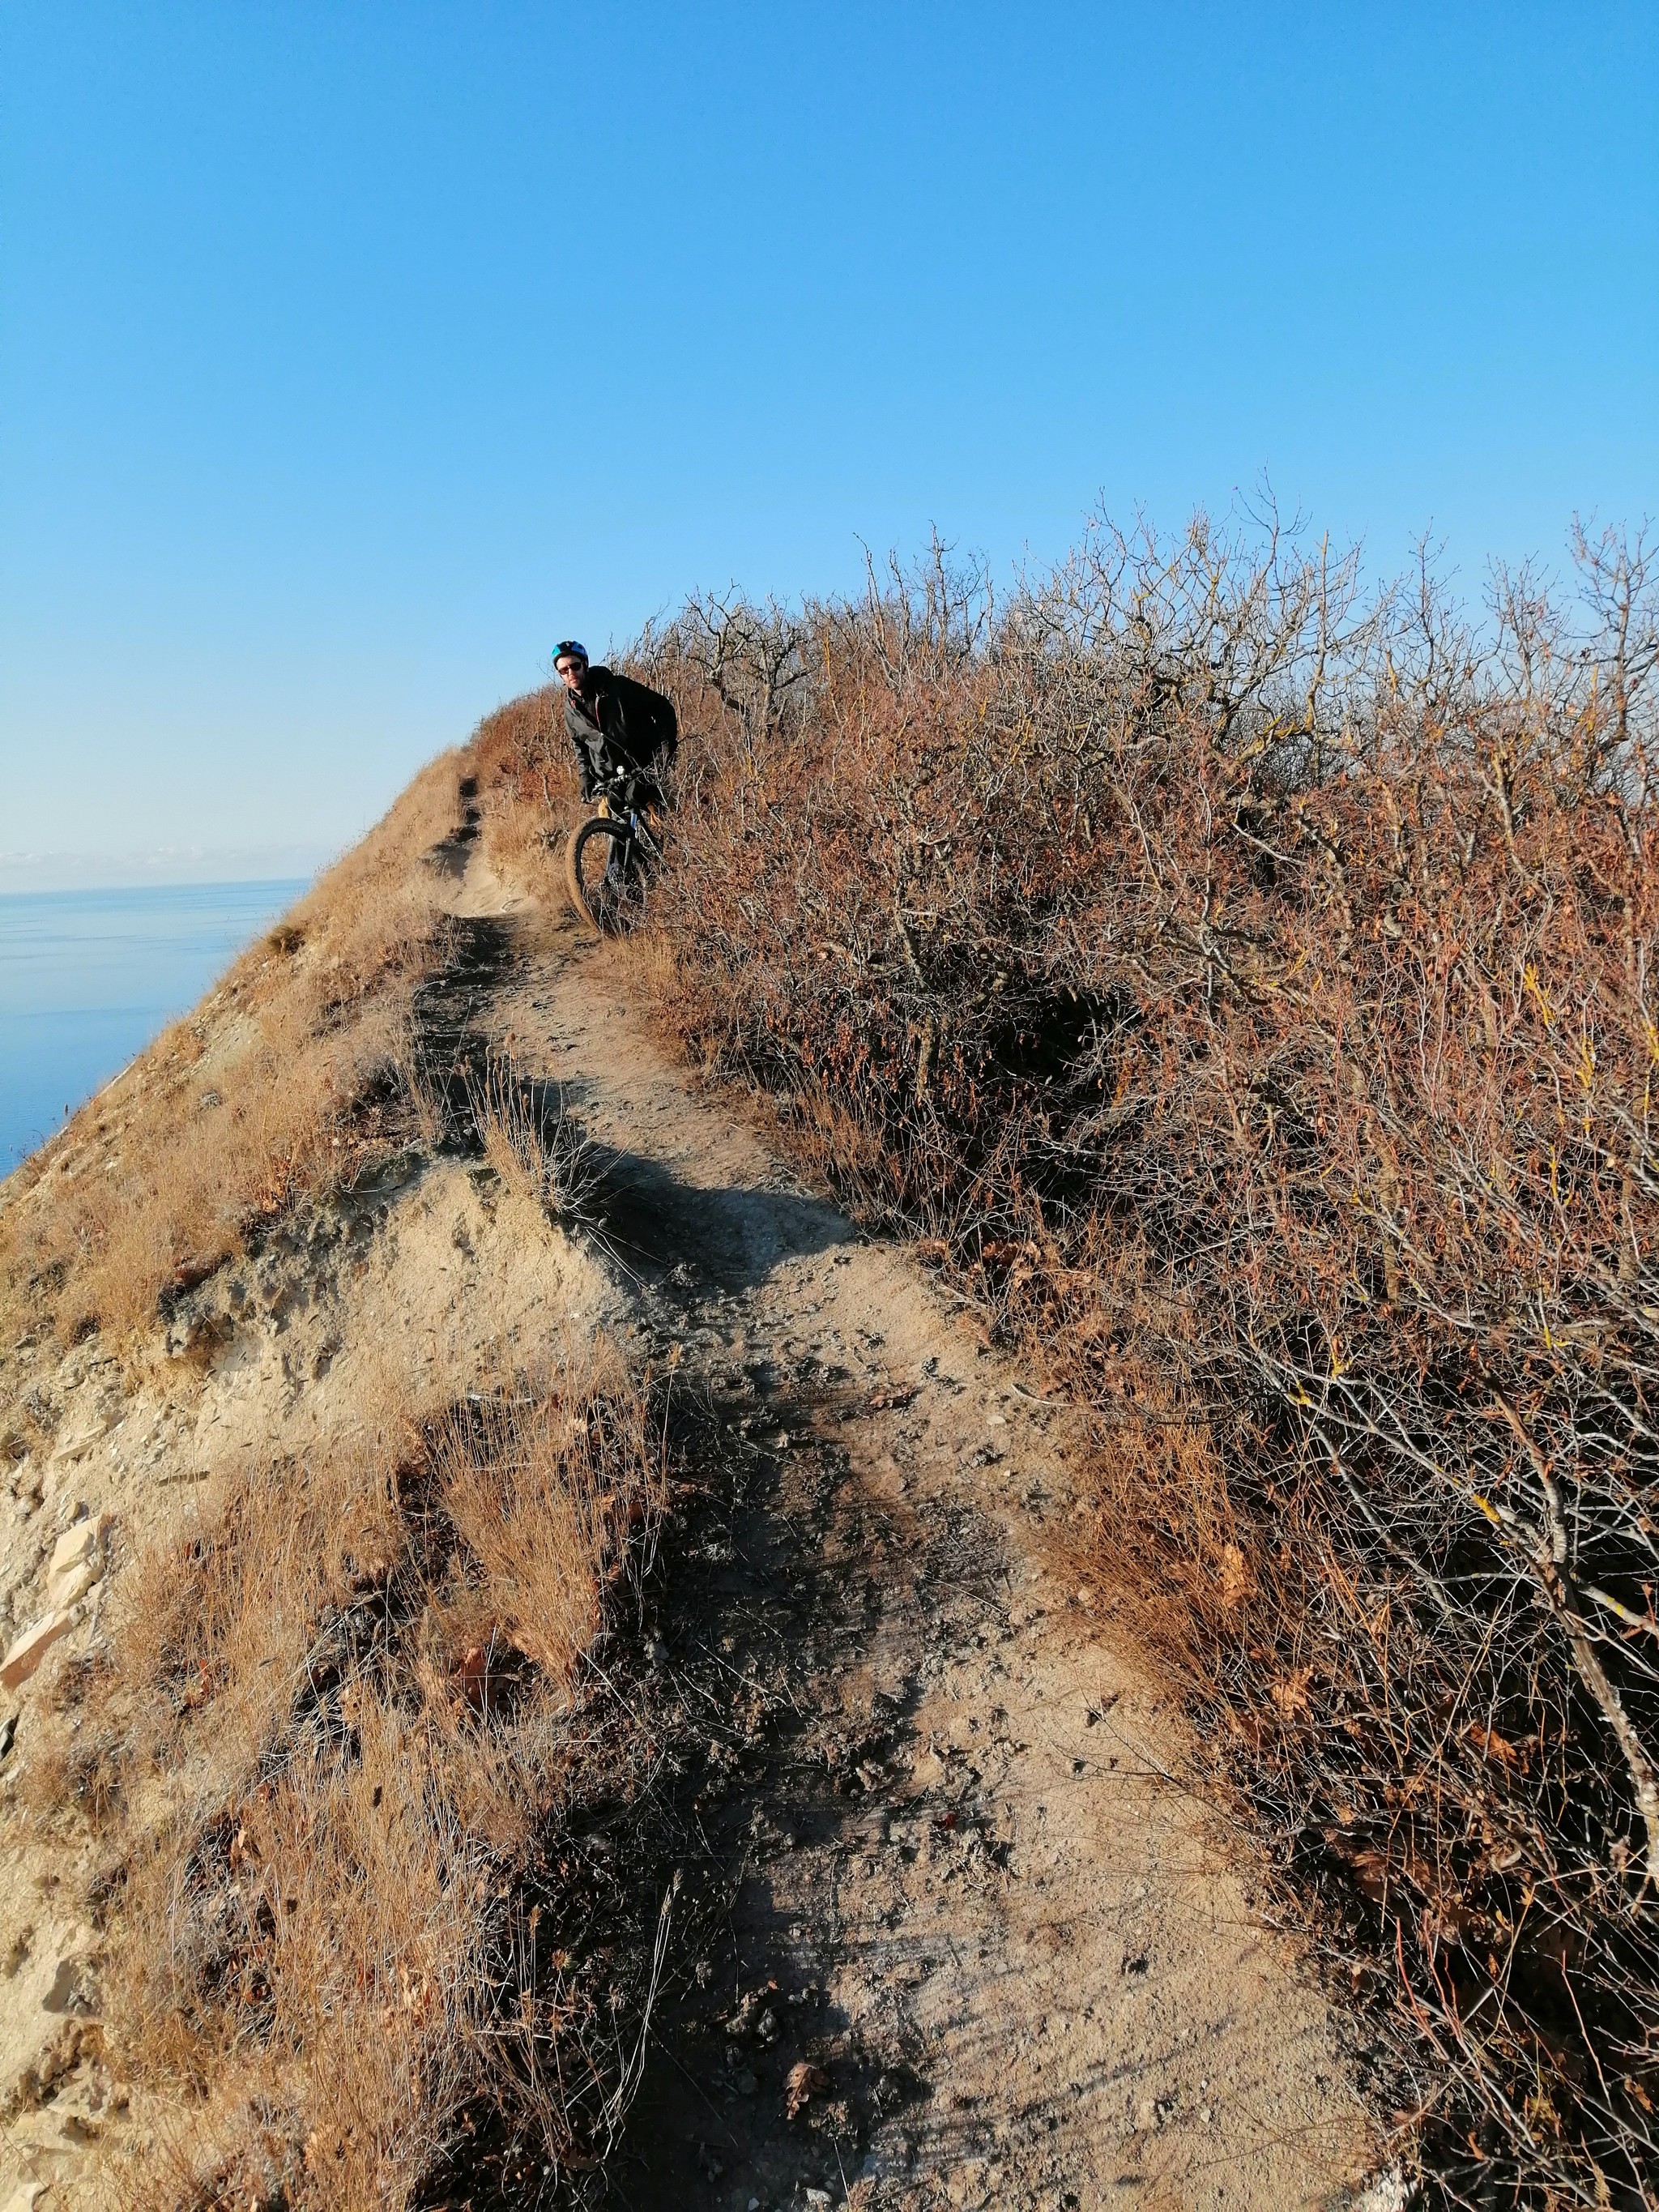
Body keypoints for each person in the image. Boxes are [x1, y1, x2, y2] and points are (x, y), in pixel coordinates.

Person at [553, 639, 678, 807]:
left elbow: (662, 707)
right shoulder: (570, 710)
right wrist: (586, 779)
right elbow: (580, 747)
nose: (570, 672)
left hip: (645, 767)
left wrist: (666, 745)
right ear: (560, 675)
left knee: (665, 822)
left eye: (575, 666)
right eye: (563, 670)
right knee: (611, 819)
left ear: (585, 664)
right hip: (611, 778)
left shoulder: (618, 687)